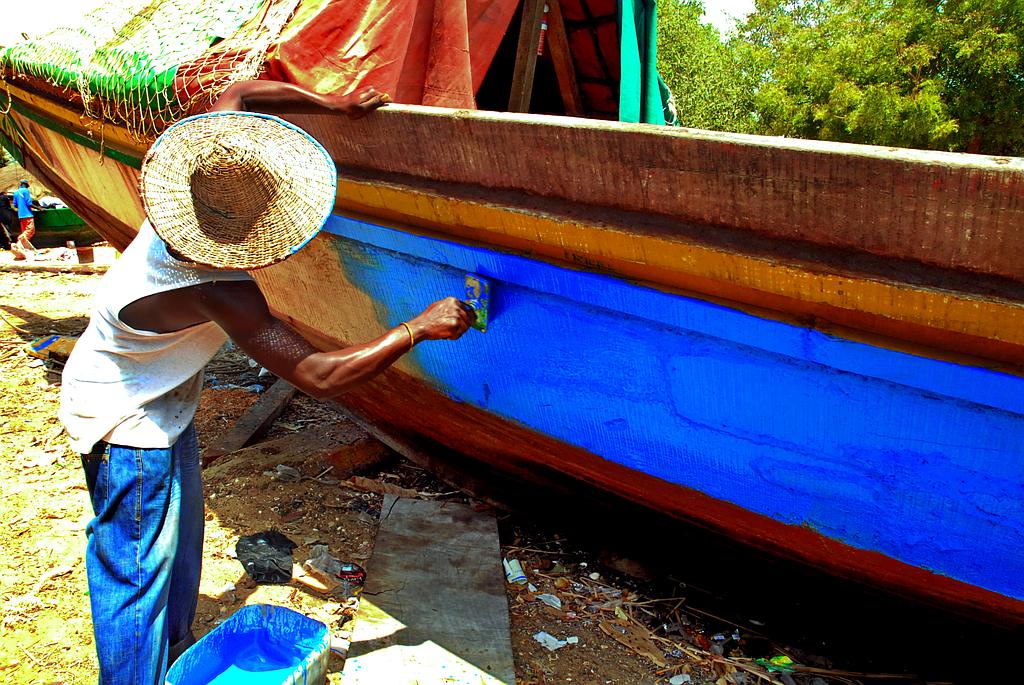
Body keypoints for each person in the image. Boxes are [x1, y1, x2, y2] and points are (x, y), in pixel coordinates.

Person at [58, 81, 476, 685]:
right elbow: (319, 375)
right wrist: (414, 328)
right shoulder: (216, 290)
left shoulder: (188, 199)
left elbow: (239, 92)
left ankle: (172, 659)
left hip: (157, 399)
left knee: (174, 554)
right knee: (132, 573)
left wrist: (331, 103)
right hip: (124, 423)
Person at [10, 179, 37, 258]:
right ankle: (18, 244)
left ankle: (23, 248)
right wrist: (40, 208)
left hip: (21, 215)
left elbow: (15, 205)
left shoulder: (15, 193)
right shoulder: (26, 191)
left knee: (25, 231)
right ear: (26, 185)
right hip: (27, 214)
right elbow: (29, 203)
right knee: (30, 230)